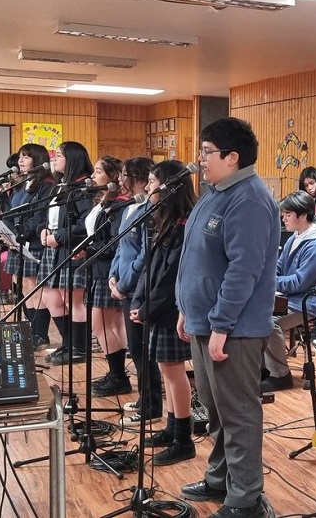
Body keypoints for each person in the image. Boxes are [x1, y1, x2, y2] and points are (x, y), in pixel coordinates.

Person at [176, 117, 280, 518]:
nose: (200, 159)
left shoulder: (249, 199)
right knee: (216, 411)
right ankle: (220, 478)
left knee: (238, 414)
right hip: (204, 321)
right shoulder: (215, 193)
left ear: (232, 157)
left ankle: (246, 498)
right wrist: (186, 310)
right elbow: (195, 259)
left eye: (206, 152)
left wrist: (220, 324)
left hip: (233, 329)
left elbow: (244, 270)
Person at [131, 160, 198, 466]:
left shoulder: (184, 226)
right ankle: (171, 426)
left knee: (173, 370)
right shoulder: (163, 221)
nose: (147, 188)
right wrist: (140, 301)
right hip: (157, 309)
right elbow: (151, 268)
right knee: (165, 370)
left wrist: (148, 308)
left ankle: (183, 438)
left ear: (170, 187)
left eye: (152, 182)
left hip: (170, 311)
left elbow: (172, 277)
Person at [261, 191, 316, 392]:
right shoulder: (295, 237)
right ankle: (264, 369)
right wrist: (267, 277)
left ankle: (280, 375)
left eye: (287, 214)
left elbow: (299, 283)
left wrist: (268, 282)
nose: (283, 218)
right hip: (291, 298)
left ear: (303, 215)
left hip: (310, 303)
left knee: (267, 324)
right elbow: (278, 268)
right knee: (254, 315)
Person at [109, 157, 161, 424]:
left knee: (143, 349)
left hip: (137, 287)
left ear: (139, 178)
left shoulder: (149, 210)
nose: (120, 179)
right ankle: (144, 396)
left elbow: (145, 253)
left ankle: (152, 404)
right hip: (123, 285)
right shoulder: (131, 207)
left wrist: (126, 282)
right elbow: (120, 247)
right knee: (136, 347)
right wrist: (112, 277)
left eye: (125, 175)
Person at [40, 141, 94, 365]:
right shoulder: (60, 185)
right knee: (52, 298)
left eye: (59, 155)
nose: (55, 159)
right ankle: (68, 343)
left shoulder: (83, 188)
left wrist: (59, 236)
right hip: (52, 246)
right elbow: (50, 216)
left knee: (74, 300)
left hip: (70, 248)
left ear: (72, 159)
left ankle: (80, 348)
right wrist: (42, 230)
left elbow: (85, 224)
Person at [82, 156, 132, 396]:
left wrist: (88, 250)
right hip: (98, 268)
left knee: (104, 324)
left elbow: (114, 243)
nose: (93, 175)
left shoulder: (120, 206)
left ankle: (119, 376)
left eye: (98, 171)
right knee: (107, 324)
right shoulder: (104, 202)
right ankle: (116, 373)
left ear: (113, 177)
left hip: (107, 270)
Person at [5, 144, 55, 350]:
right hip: (17, 242)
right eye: (20, 157)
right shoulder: (23, 184)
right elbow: (10, 212)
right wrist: (8, 232)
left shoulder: (45, 185)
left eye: (26, 157)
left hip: (32, 242)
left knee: (35, 288)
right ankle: (30, 331)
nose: (21, 161)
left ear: (38, 159)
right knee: (24, 288)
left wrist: (21, 233)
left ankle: (40, 334)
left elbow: (41, 216)